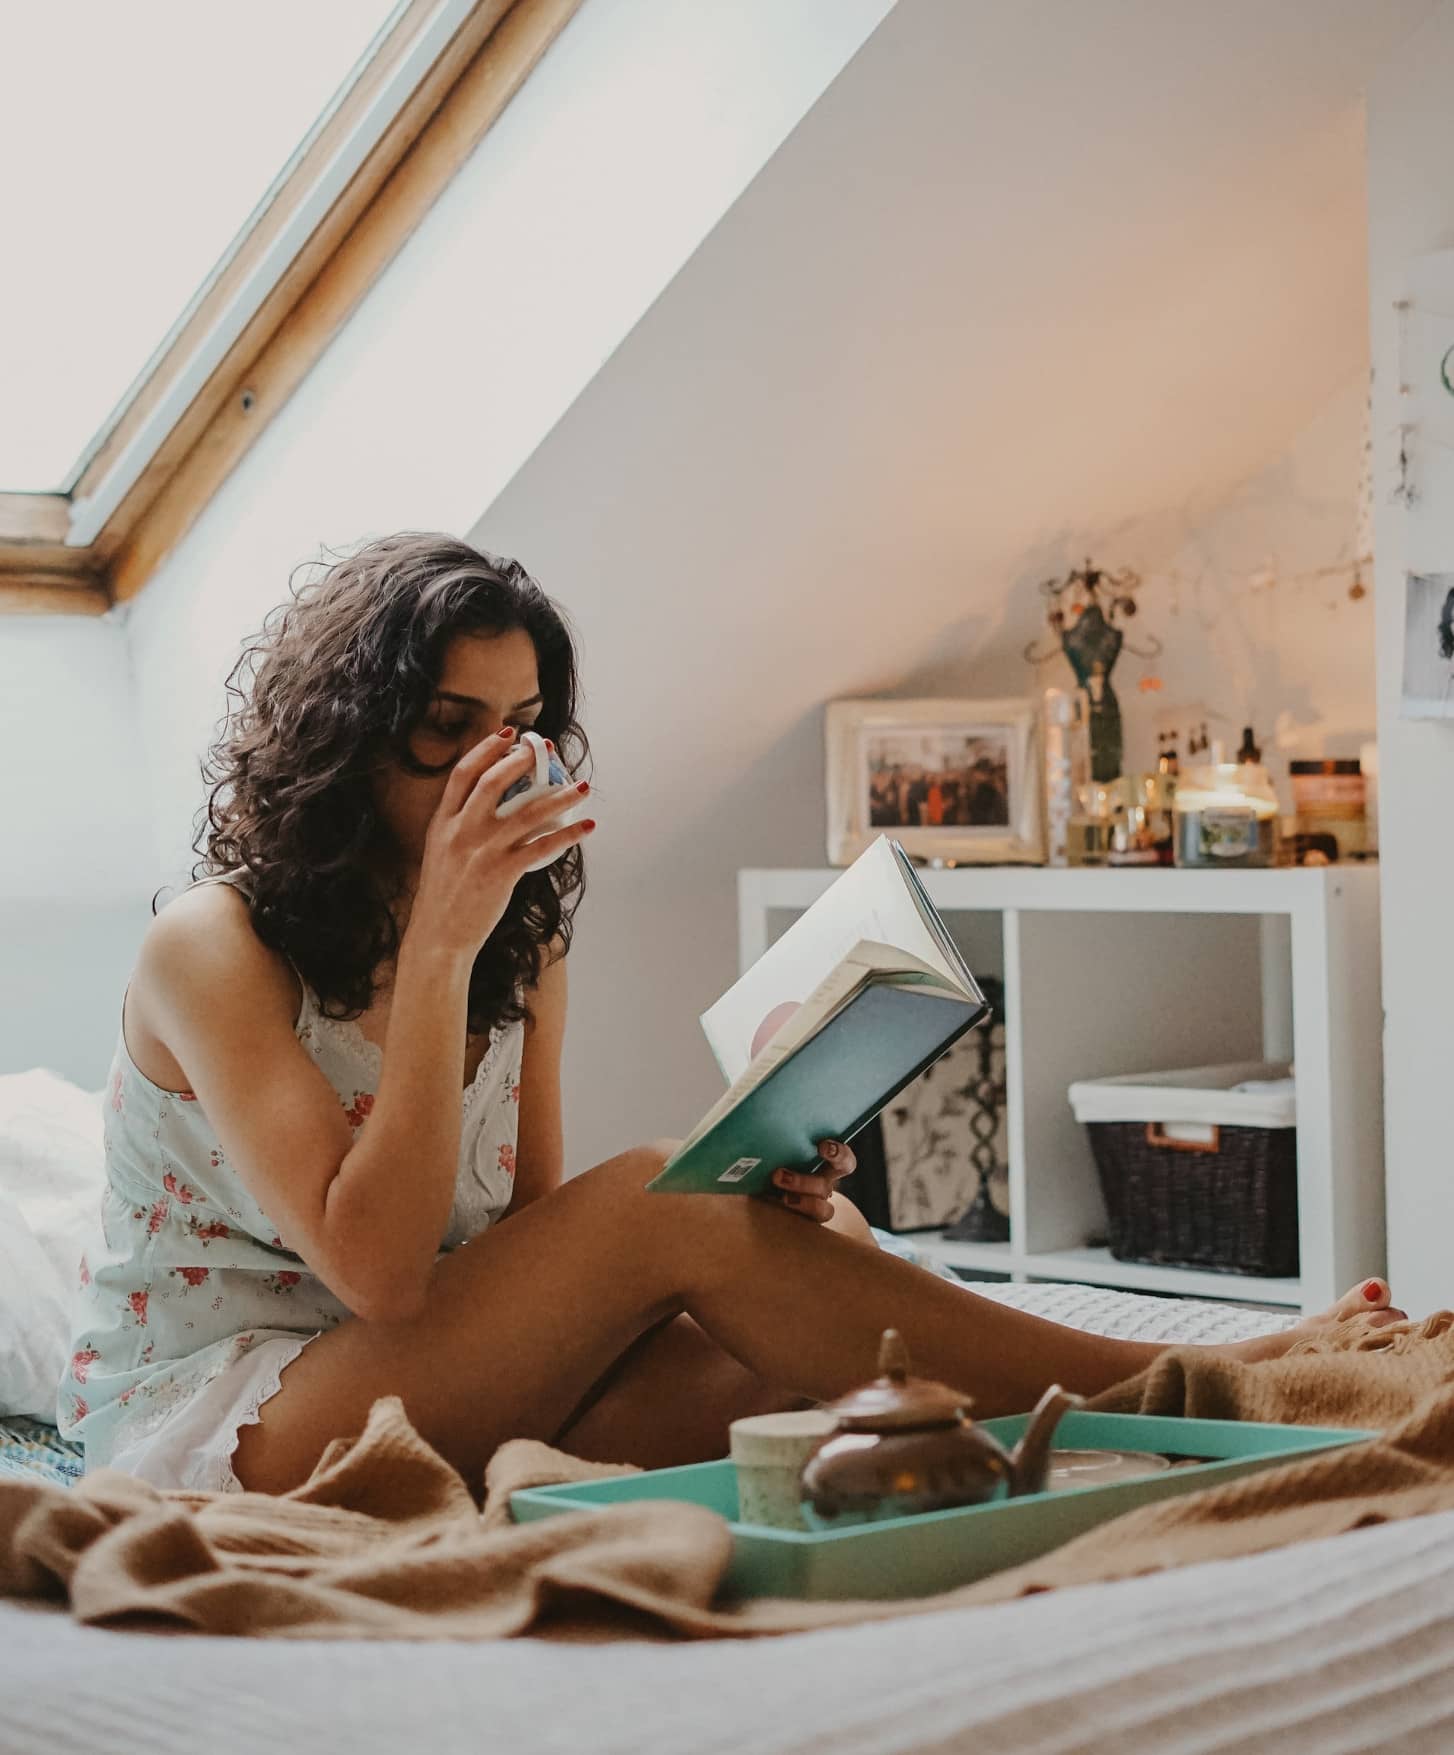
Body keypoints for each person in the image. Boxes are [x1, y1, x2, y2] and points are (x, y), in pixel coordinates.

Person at [60, 534, 1403, 1499]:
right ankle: (1184, 1383)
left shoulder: (520, 942)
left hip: (424, 1377)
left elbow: (515, 1254)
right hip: (243, 1416)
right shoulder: (215, 948)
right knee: (663, 1197)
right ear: (346, 735)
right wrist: (436, 950)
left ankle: (1123, 1406)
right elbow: (384, 1276)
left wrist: (760, 1191)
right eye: (446, 724)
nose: (496, 763)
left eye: (521, 724)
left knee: (802, 1323)